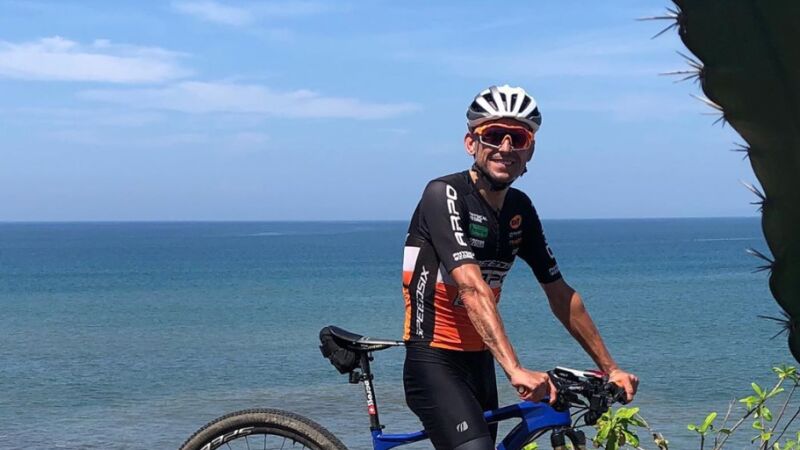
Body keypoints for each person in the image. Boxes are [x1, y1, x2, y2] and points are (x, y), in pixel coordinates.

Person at [401, 85, 639, 450]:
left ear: (530, 150)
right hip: (433, 358)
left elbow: (560, 294)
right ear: (471, 143)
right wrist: (514, 369)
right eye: (494, 135)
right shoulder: (444, 194)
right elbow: (472, 289)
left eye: (519, 138)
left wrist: (611, 369)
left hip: (480, 362)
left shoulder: (519, 209)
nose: (506, 147)